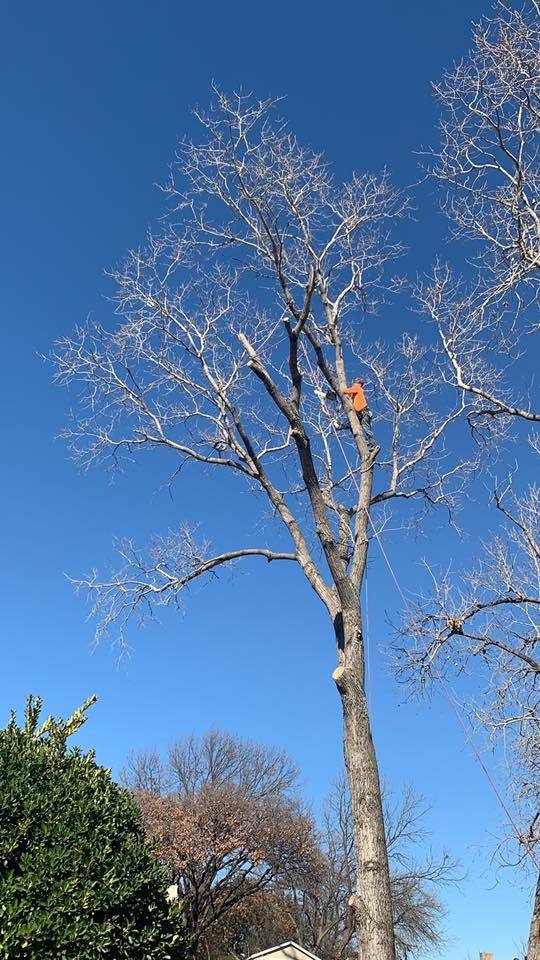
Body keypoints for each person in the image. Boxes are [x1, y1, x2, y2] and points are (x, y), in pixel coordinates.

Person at [342, 377, 374, 441]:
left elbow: (346, 391)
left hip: (364, 412)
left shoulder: (357, 388)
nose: (353, 384)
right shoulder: (356, 395)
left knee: (366, 428)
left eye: (354, 382)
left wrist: (338, 390)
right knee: (353, 425)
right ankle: (368, 442)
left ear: (357, 383)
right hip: (361, 414)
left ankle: (372, 443)